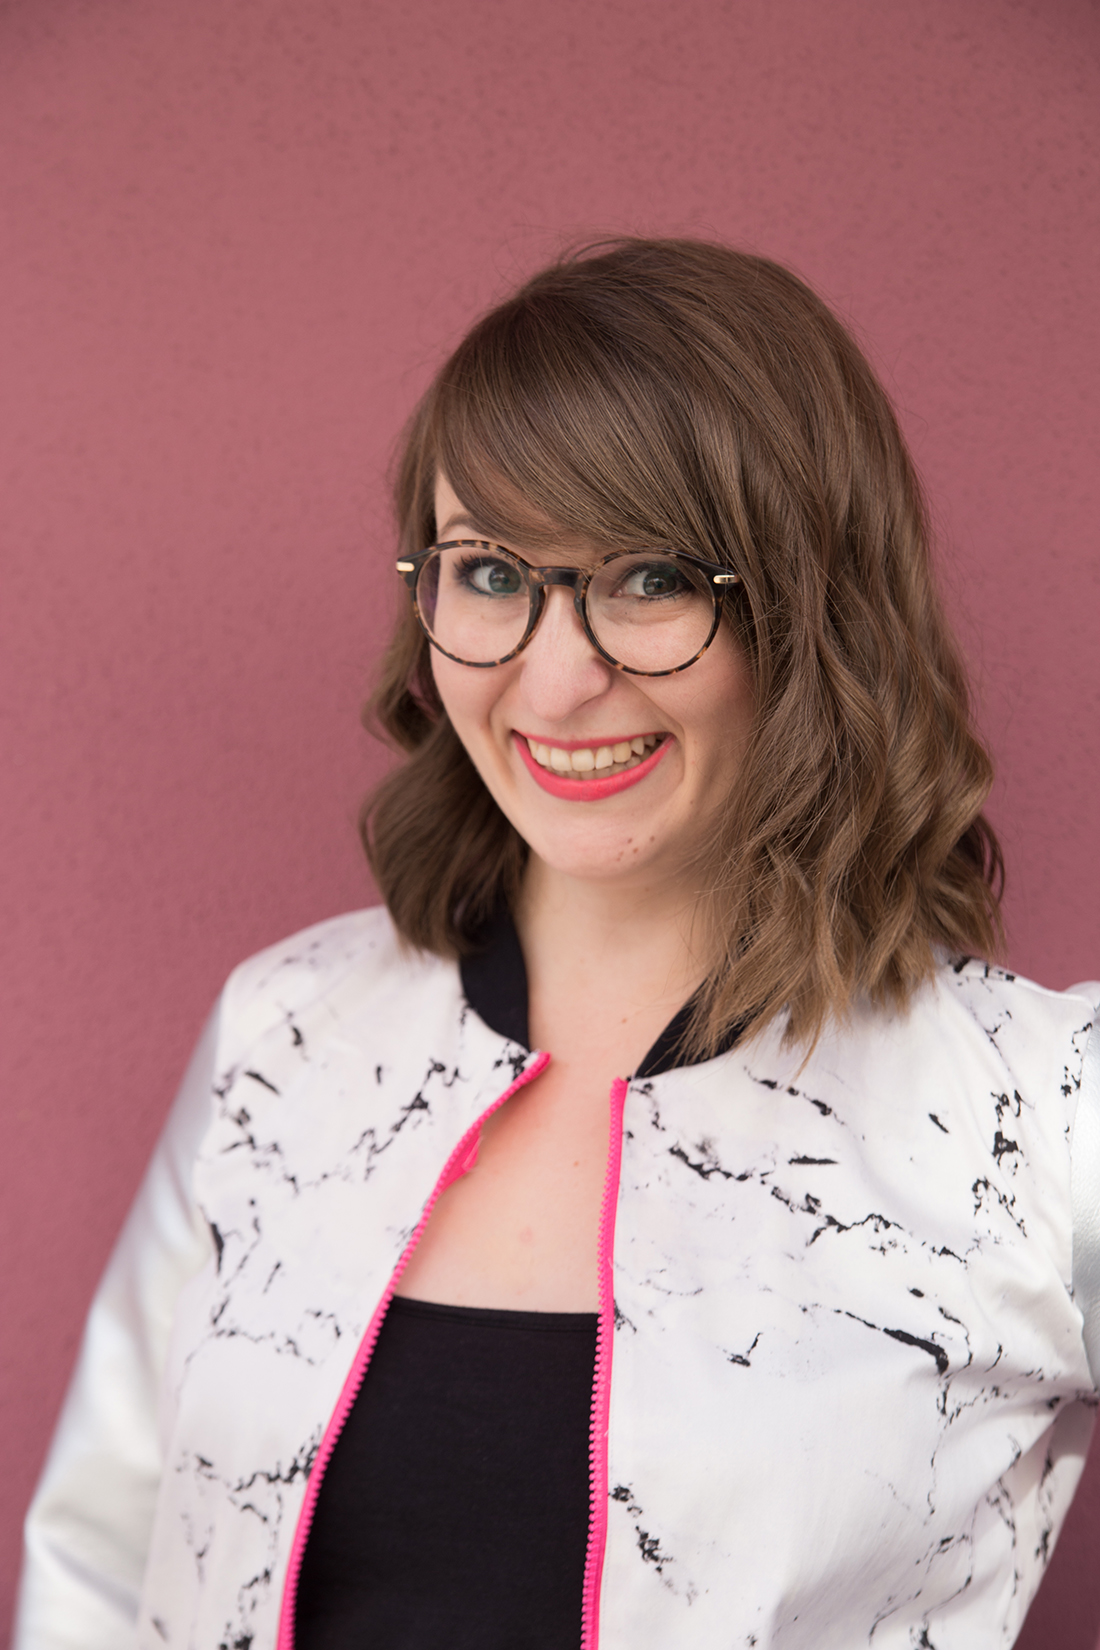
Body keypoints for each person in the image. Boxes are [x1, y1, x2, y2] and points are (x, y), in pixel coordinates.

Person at [14, 239, 1100, 1650]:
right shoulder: (283, 1031)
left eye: (648, 576)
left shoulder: (1041, 1110)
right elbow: (100, 1565)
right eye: (488, 571)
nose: (557, 675)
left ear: (811, 602)